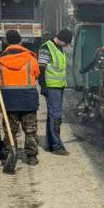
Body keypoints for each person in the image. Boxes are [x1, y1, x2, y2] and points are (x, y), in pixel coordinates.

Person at [0, 30, 41, 165]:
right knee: (30, 129)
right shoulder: (30, 58)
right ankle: (32, 156)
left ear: (6, 42)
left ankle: (10, 155)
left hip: (8, 100)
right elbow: (36, 74)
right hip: (28, 99)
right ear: (21, 41)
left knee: (10, 130)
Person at [38, 27, 72, 155]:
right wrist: (44, 86)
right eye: (67, 42)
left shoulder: (58, 47)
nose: (67, 45)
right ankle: (57, 146)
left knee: (52, 116)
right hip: (51, 87)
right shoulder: (46, 48)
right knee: (56, 116)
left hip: (58, 86)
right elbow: (41, 69)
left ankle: (50, 144)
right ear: (62, 39)